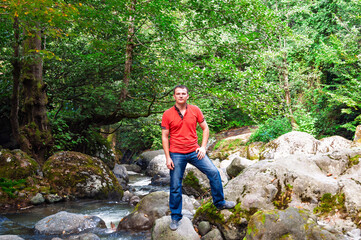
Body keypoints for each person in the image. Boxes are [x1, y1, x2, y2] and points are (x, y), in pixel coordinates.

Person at [161, 85, 236, 231]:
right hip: (176, 153)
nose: (181, 96)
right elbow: (165, 136)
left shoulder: (195, 110)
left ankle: (219, 202)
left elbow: (205, 128)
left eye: (183, 93)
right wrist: (167, 157)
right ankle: (176, 217)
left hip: (195, 151)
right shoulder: (167, 114)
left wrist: (203, 147)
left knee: (214, 173)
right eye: (178, 94)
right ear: (174, 97)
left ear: (188, 96)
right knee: (175, 185)